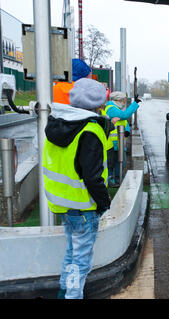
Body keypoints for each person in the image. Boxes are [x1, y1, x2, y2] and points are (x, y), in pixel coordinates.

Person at [43, 78, 112, 299]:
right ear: (98, 104)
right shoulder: (90, 130)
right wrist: (103, 202)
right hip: (84, 207)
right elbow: (92, 177)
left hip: (62, 203)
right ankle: (73, 295)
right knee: (81, 260)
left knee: (72, 253)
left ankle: (64, 291)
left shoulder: (57, 122)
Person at [105, 91, 140, 186]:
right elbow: (124, 116)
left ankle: (118, 179)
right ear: (118, 100)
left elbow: (123, 121)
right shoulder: (111, 108)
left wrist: (127, 130)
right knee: (112, 163)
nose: (124, 103)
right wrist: (135, 104)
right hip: (112, 142)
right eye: (124, 101)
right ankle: (112, 180)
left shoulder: (115, 108)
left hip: (119, 141)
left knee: (120, 162)